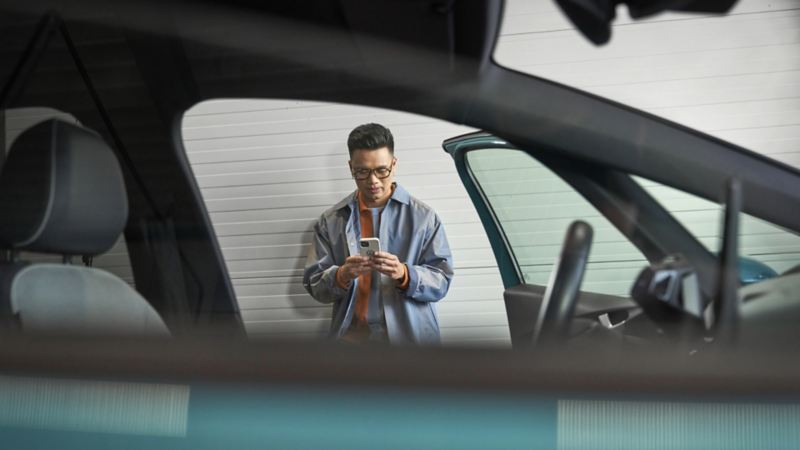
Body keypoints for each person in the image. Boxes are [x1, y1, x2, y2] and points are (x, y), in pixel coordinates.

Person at [303, 123, 454, 345]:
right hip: (351, 344)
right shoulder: (331, 221)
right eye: (362, 172)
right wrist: (342, 275)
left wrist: (405, 274)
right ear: (350, 167)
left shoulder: (424, 218)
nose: (373, 181)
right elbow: (314, 284)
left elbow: (442, 281)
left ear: (394, 165)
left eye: (381, 170)